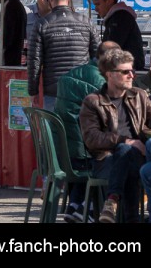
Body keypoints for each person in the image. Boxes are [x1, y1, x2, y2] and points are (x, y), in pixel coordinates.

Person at [80, 48, 151, 223]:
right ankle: (131, 218)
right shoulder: (93, 101)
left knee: (131, 157)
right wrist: (127, 141)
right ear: (109, 74)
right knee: (126, 153)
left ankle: (112, 201)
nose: (132, 75)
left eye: (132, 71)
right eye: (125, 72)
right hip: (106, 159)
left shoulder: (138, 95)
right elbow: (92, 139)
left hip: (137, 156)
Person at [55, 41, 122, 222]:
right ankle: (92, 207)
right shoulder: (103, 83)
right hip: (85, 156)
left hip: (64, 154)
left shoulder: (69, 75)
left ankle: (76, 205)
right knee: (119, 154)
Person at [28, 0, 99, 111]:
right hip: (82, 90)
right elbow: (98, 58)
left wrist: (33, 91)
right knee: (80, 130)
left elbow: (34, 61)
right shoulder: (87, 22)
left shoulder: (42, 24)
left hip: (54, 92)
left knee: (54, 131)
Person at [89, 0, 145, 70]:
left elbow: (111, 49)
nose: (96, 9)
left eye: (98, 4)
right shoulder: (118, 17)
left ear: (109, 1)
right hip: (126, 69)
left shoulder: (120, 18)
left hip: (126, 71)